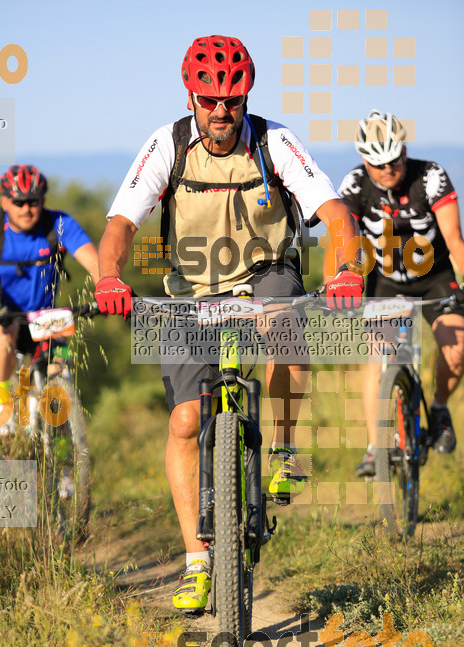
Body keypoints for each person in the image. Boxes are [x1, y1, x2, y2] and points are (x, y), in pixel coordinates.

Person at [95, 35, 363, 611]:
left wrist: (344, 270)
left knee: (282, 324)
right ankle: (197, 561)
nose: (221, 111)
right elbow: (121, 223)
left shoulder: (275, 141)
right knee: (186, 421)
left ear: (246, 97)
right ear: (191, 96)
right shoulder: (166, 144)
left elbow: (335, 213)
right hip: (190, 291)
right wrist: (110, 277)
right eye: (209, 99)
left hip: (265, 272)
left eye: (233, 100)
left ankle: (287, 451)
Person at [338, 110, 464, 477]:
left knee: (455, 352)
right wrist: (340, 285)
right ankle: (375, 448)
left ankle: (438, 410)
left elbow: (453, 236)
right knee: (377, 361)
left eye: (393, 160)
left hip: (435, 276)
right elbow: (341, 243)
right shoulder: (355, 185)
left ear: (404, 152)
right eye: (377, 163)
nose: (387, 169)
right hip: (386, 281)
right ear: (364, 160)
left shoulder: (430, 176)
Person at [0, 164, 99, 428]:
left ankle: (63, 447)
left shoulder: (59, 224)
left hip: (42, 316)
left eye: (32, 201)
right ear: (5, 202)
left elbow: (94, 262)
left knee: (58, 368)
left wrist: (108, 289)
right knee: (4, 331)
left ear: (42, 200)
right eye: (18, 202)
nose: (26, 208)